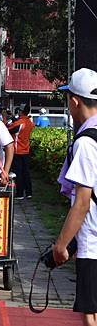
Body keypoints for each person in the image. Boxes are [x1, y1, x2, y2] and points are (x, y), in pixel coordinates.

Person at [52, 68, 97, 326]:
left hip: (92, 241)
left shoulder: (86, 143)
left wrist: (61, 244)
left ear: (75, 101)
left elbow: (82, 202)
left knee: (91, 314)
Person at [8, 103, 35, 199]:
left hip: (17, 151)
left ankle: (19, 193)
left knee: (18, 173)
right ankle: (29, 192)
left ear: (21, 111)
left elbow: (8, 129)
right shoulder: (30, 123)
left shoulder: (19, 123)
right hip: (26, 151)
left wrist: (10, 119)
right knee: (26, 173)